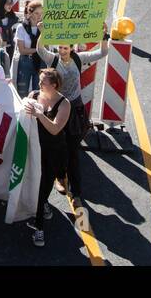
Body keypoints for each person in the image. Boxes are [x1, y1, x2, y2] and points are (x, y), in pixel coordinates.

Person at [35, 27, 110, 208]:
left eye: (65, 49)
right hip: (56, 108)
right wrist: (43, 32)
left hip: (75, 110)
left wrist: (103, 36)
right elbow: (40, 50)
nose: (62, 51)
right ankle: (60, 178)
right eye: (60, 48)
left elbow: (103, 52)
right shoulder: (52, 59)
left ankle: (76, 192)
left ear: (72, 48)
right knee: (56, 148)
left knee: (73, 150)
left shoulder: (79, 58)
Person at [22, 68, 70, 247]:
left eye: (43, 82)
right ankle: (44, 207)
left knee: (43, 186)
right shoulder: (34, 95)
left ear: (54, 85)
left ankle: (39, 228)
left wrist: (39, 115)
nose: (39, 84)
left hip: (54, 152)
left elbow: (55, 129)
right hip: (35, 149)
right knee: (36, 184)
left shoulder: (64, 104)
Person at [13, 0, 43, 96]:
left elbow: (46, 47)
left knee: (39, 91)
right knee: (22, 90)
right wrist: (38, 50)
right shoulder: (21, 27)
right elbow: (22, 50)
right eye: (37, 13)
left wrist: (42, 32)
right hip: (25, 61)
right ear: (30, 13)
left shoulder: (43, 27)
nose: (39, 16)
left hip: (40, 61)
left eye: (41, 13)